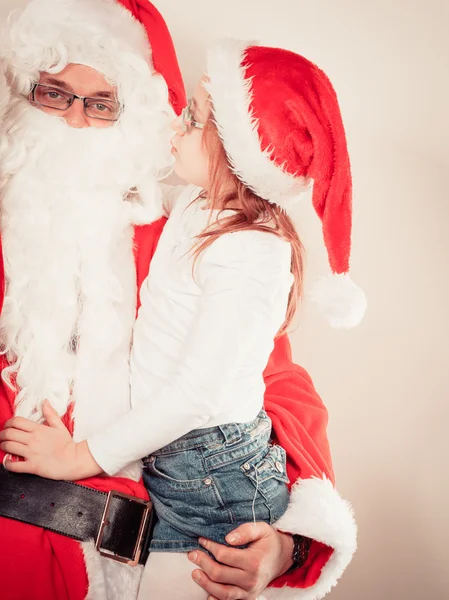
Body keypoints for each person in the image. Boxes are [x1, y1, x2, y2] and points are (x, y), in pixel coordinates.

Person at [0, 1, 357, 599]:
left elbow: (272, 384)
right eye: (54, 93)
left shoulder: (179, 231)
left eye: (101, 102)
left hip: (159, 547)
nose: (75, 123)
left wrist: (287, 542)